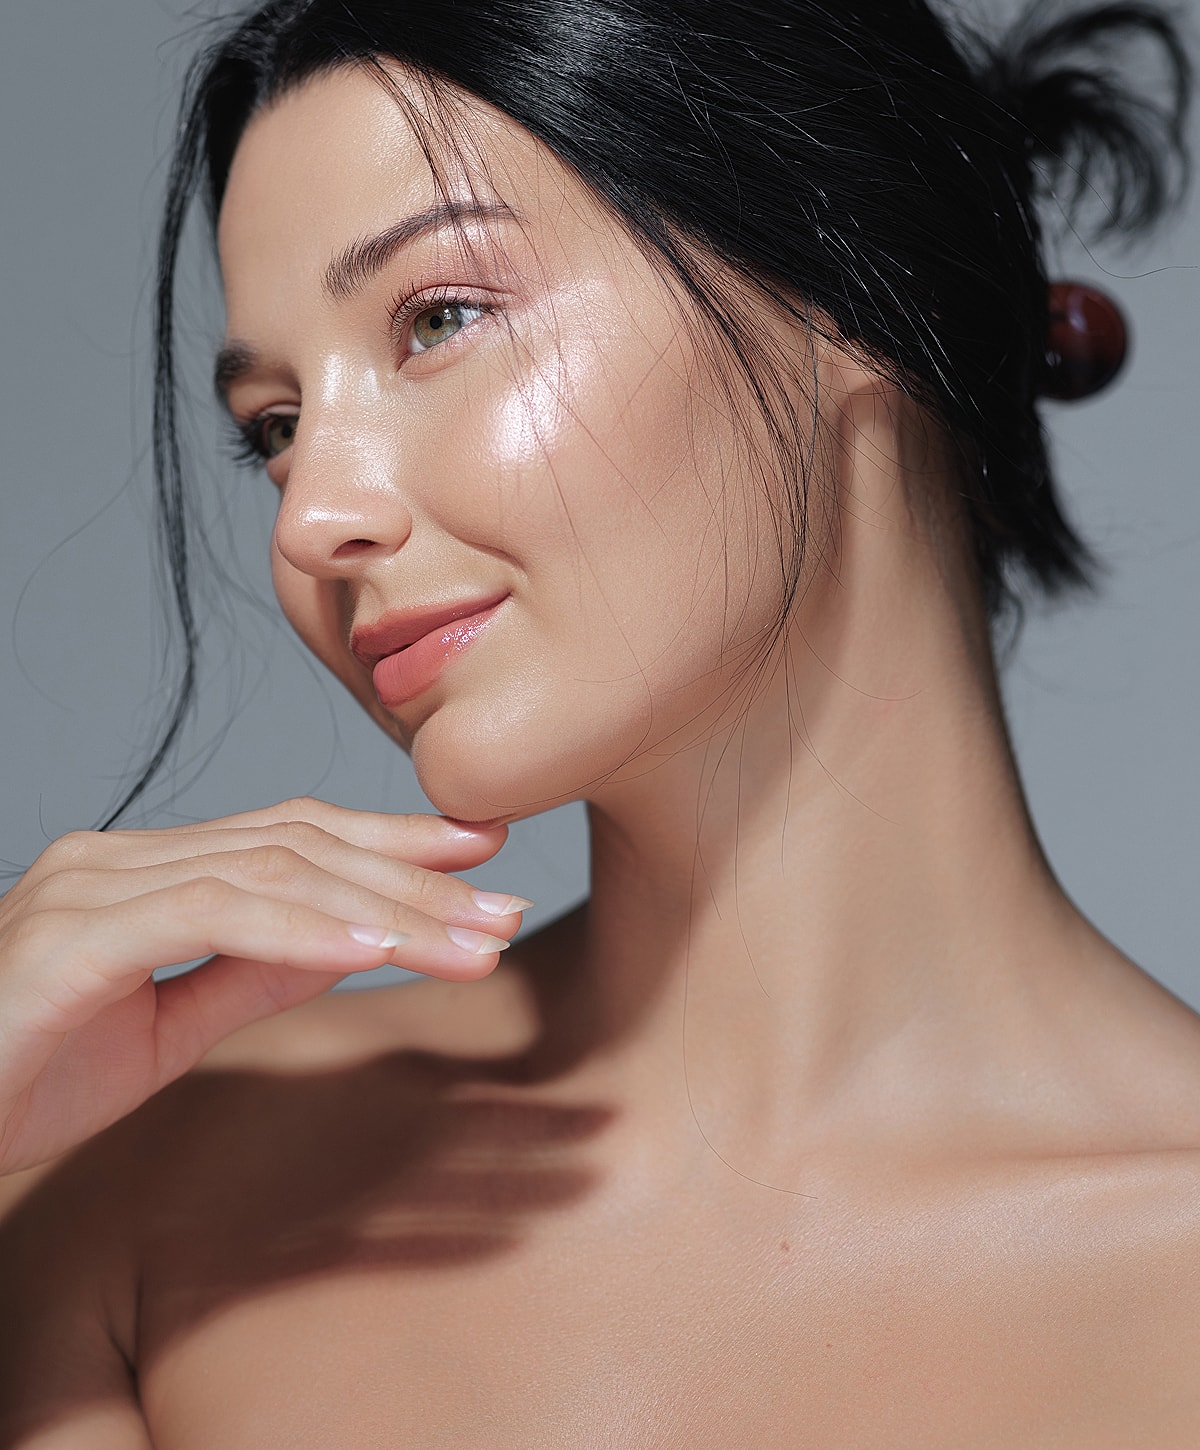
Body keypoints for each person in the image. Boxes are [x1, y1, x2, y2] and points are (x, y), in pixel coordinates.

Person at [1, 0, 1197, 1442]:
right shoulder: (139, 1192)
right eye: (277, 424)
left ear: (849, 284)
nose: (313, 519)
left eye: (439, 319)